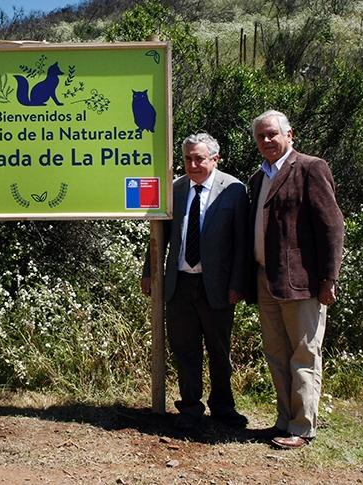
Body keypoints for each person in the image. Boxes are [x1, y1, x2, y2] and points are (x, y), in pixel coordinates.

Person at [247, 110, 344, 449]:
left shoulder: (310, 168)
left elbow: (332, 227)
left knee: (304, 354)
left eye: (273, 134)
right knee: (276, 353)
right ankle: (284, 420)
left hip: (302, 283)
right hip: (265, 281)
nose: (267, 141)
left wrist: (329, 278)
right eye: (261, 136)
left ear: (290, 135)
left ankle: (302, 428)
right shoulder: (258, 179)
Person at [142, 133, 250, 431]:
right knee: (184, 348)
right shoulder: (175, 188)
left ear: (215, 159)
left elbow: (242, 242)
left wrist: (238, 283)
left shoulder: (235, 190)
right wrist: (148, 271)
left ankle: (223, 408)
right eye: (188, 158)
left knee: (219, 350)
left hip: (217, 286)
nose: (193, 164)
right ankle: (189, 407)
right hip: (179, 285)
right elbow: (158, 234)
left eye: (199, 158)